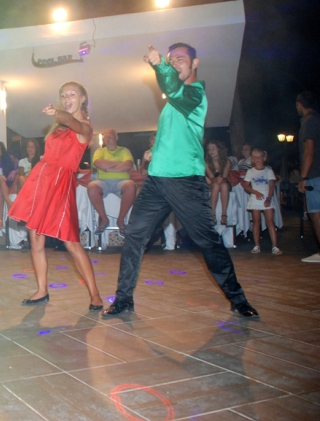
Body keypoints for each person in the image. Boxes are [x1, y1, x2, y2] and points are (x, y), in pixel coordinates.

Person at [103, 43, 258, 318]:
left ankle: (238, 299)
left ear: (195, 63)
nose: (175, 64)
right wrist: (156, 152)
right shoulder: (170, 105)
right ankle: (124, 298)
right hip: (156, 183)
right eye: (171, 60)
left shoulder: (195, 94)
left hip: (186, 182)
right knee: (134, 236)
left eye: (180, 59)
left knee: (208, 241)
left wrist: (160, 64)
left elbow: (174, 89)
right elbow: (175, 136)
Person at [8, 81, 103, 310]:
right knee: (35, 238)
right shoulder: (56, 128)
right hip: (41, 179)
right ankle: (42, 290)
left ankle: (95, 295)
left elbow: (70, 121)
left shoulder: (85, 128)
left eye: (72, 94)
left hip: (60, 183)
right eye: (63, 95)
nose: (67, 98)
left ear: (83, 99)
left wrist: (57, 113)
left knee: (71, 242)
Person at [88, 129, 136, 235]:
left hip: (122, 181)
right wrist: (119, 163)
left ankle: (121, 220)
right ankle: (104, 219)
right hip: (103, 181)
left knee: (131, 186)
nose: (107, 139)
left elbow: (128, 165)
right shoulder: (99, 151)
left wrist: (107, 169)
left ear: (116, 137)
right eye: (105, 137)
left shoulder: (124, 151)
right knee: (91, 187)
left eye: (110, 136)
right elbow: (98, 163)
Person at [241, 148, 281, 255]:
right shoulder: (250, 171)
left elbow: (271, 186)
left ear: (264, 158)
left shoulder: (268, 170)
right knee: (256, 222)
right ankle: (257, 245)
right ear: (252, 159)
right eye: (255, 157)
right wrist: (255, 192)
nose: (257, 159)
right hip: (255, 199)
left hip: (267, 198)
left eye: (259, 157)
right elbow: (245, 185)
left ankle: (275, 246)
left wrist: (268, 198)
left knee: (270, 222)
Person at [297, 91, 320, 262]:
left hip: (315, 175)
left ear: (299, 104)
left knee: (316, 214)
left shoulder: (309, 122)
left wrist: (303, 178)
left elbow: (309, 151)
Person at [205, 140, 232, 225]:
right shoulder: (206, 162)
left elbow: (225, 177)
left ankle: (224, 214)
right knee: (216, 185)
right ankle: (212, 213)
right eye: (209, 149)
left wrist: (221, 179)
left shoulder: (227, 161)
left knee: (224, 185)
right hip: (211, 183)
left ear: (219, 149)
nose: (211, 151)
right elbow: (211, 178)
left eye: (213, 148)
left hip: (223, 182)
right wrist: (217, 179)